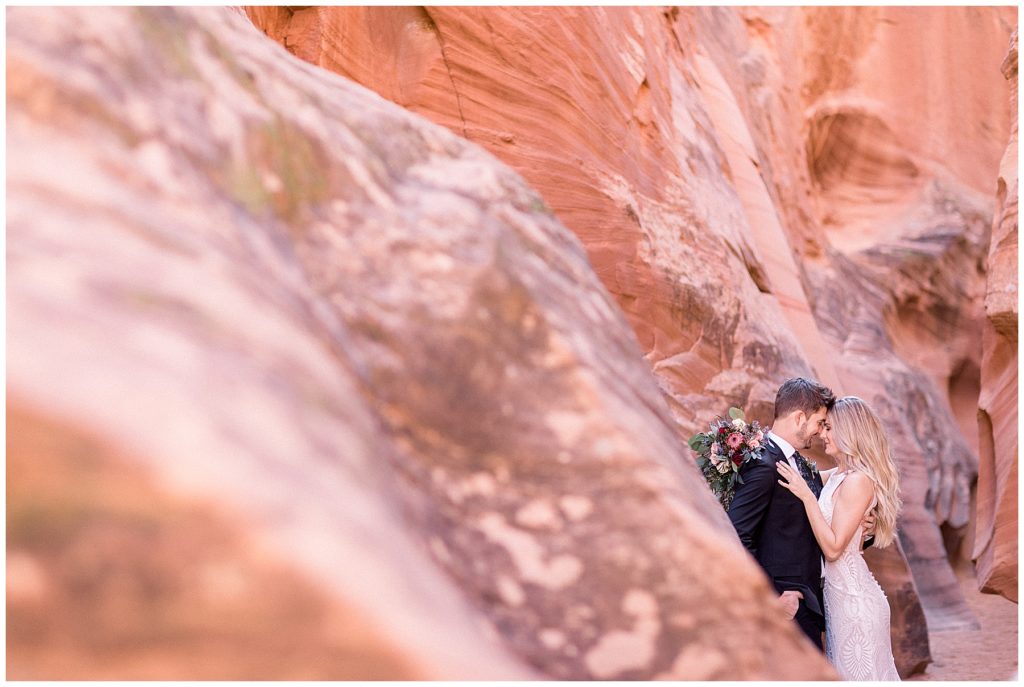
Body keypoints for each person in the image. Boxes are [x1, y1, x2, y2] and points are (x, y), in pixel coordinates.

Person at [776, 396, 901, 681]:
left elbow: (833, 549)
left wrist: (808, 497)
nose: (822, 434)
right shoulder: (838, 475)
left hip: (856, 604)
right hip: (839, 601)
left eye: (829, 428)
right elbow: (793, 480)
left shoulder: (859, 481)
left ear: (850, 431)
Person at [728, 377, 837, 650]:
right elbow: (737, 535)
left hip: (810, 602)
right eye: (819, 423)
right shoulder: (763, 464)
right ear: (800, 418)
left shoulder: (797, 461)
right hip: (788, 607)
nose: (820, 432)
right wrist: (773, 597)